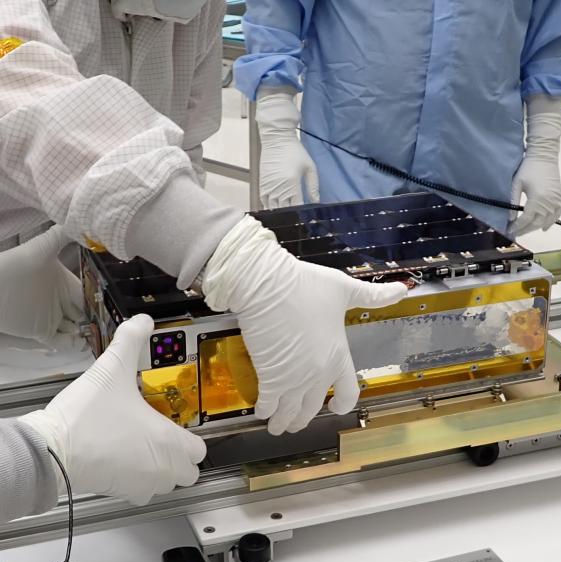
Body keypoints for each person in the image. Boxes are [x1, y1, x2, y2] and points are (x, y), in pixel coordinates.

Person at [0, 1, 408, 520]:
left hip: (63, 319)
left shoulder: (197, 9)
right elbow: (28, 97)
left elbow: (183, 144)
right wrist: (231, 254)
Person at [234, 1, 561, 236]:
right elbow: (276, 17)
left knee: (470, 325)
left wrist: (544, 150)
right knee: (347, 316)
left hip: (476, 167)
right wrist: (277, 129)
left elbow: (553, 42)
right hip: (349, 161)